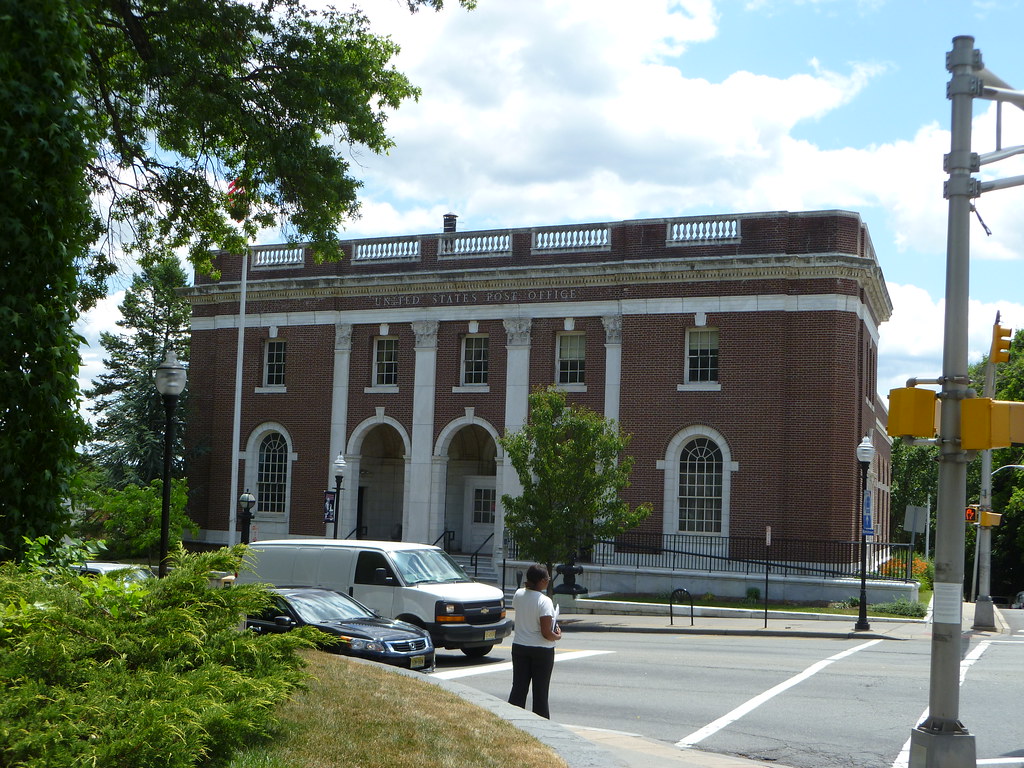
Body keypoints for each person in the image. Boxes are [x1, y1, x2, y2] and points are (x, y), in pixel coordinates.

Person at [508, 563, 562, 718]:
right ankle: (540, 724)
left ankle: (511, 721)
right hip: (541, 650)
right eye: (548, 578)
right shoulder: (544, 601)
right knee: (540, 693)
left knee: (518, 689)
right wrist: (557, 636)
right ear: (542, 581)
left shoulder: (518, 594)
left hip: (519, 647)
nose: (548, 581)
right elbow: (546, 633)